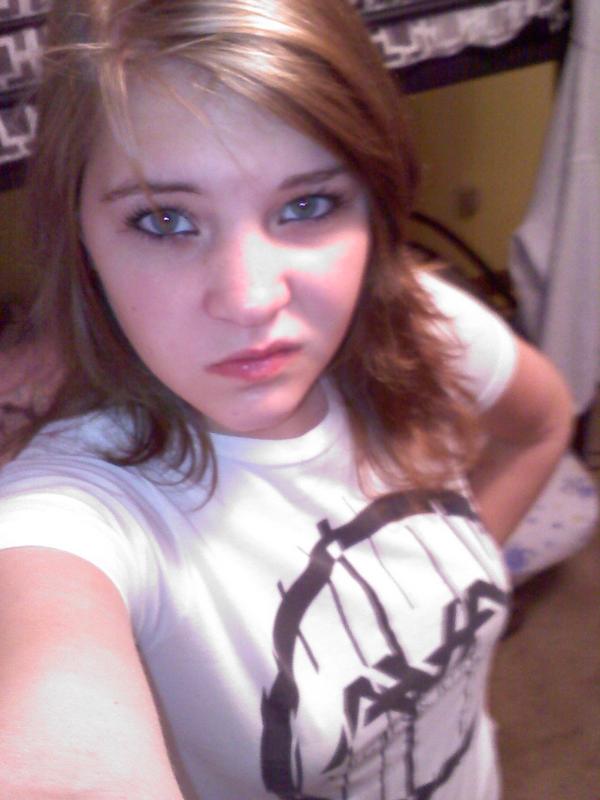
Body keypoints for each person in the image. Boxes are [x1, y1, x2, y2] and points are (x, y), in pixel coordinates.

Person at [0, 2, 573, 798]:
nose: (250, 299)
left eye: (307, 205)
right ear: (79, 234)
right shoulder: (72, 513)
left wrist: (451, 599)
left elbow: (543, 426)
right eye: (164, 219)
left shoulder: (418, 322)